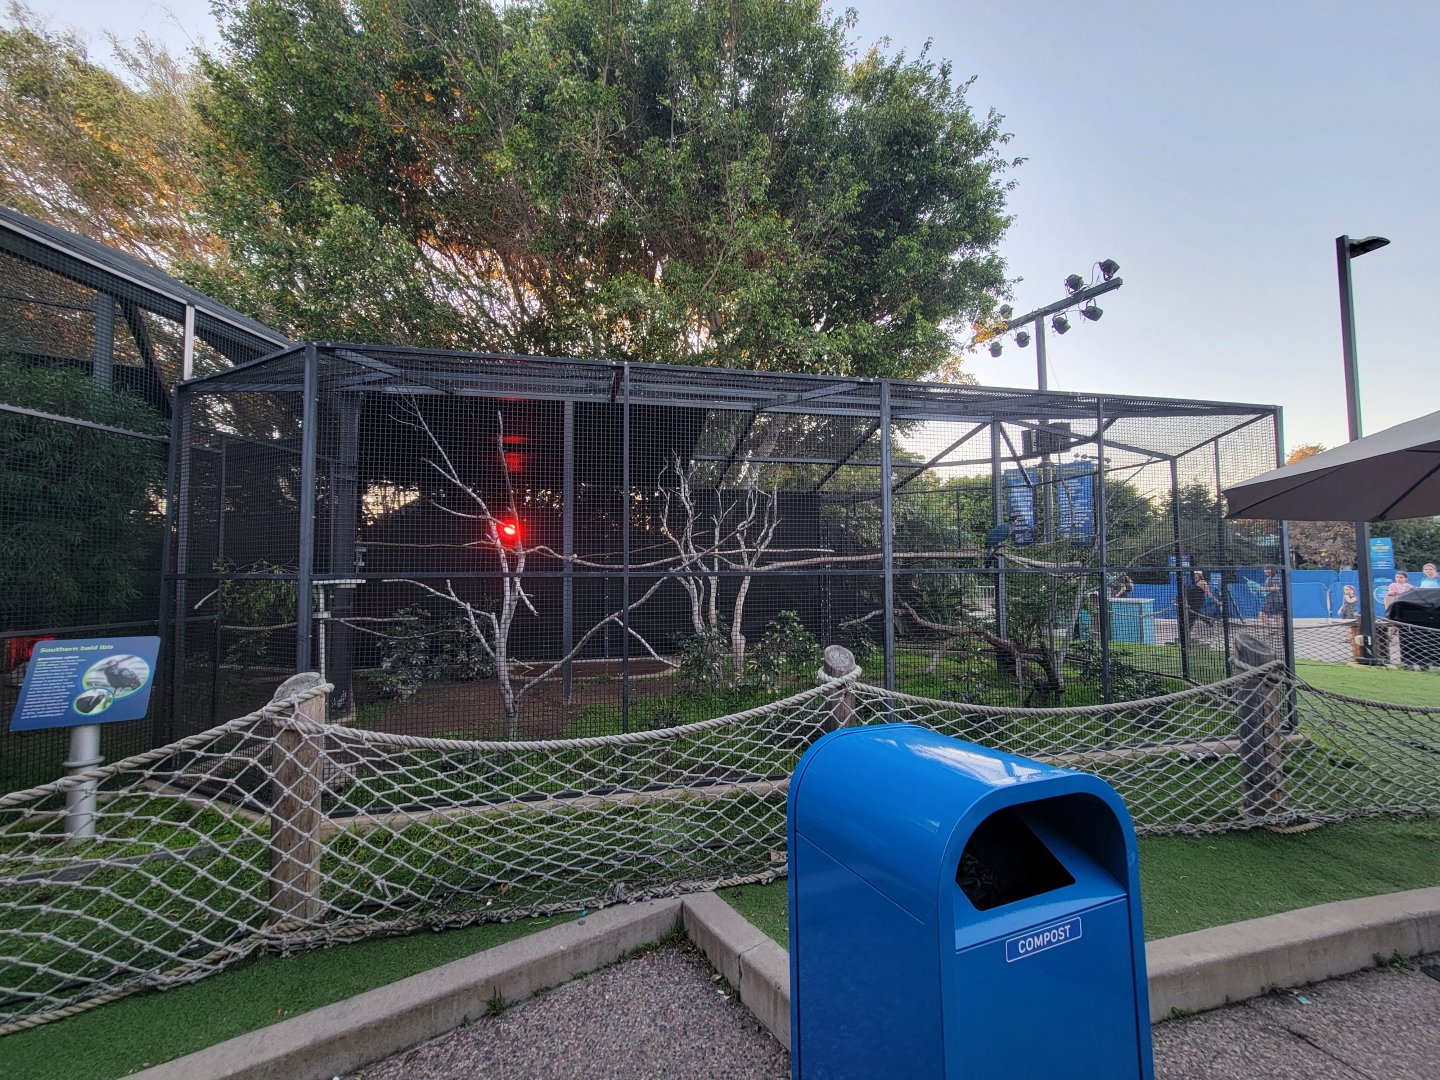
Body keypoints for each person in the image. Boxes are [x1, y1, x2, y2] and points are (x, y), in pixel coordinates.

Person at [1182, 570, 1219, 636]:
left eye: (1196, 574)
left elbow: (1209, 594)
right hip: (1191, 602)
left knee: (1193, 616)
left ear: (1199, 575)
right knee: (1194, 616)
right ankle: (1209, 621)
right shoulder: (1193, 583)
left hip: (1197, 602)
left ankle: (1187, 633)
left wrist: (1217, 601)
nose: (1194, 575)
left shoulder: (1203, 583)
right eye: (1194, 574)